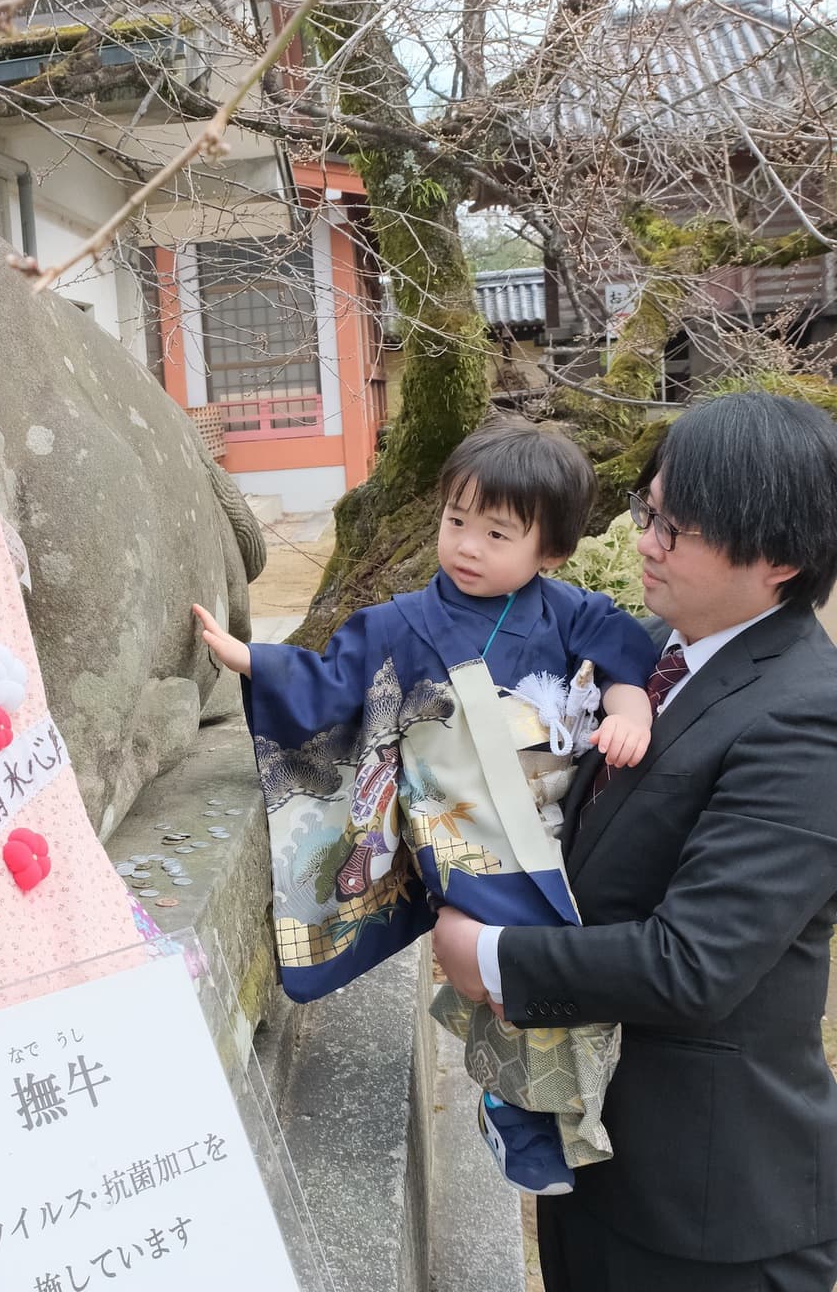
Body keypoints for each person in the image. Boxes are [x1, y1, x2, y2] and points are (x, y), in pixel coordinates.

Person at [434, 391, 837, 1292]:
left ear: (779, 559)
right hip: (597, 1154)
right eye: (647, 511)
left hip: (711, 1206)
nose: (647, 542)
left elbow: (695, 963)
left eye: (677, 529)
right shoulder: (651, 653)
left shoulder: (809, 718)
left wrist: (489, 959)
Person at [195, 417, 658, 1196]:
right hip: (463, 828)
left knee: (565, 950)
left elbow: (625, 659)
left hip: (550, 819)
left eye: (496, 533)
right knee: (526, 947)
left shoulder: (569, 609)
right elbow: (330, 684)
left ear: (551, 553)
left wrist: (629, 710)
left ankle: (541, 1105)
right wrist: (255, 662)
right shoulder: (399, 624)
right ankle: (515, 1108)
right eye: (456, 521)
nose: (467, 546)